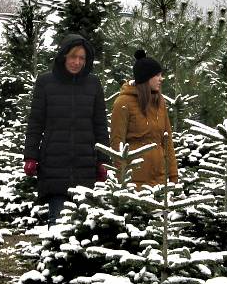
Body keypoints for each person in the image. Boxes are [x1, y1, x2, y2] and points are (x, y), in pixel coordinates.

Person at [24, 34, 110, 226]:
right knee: (58, 224)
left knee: (84, 228)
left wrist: (103, 160)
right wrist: (31, 156)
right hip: (54, 164)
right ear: (64, 56)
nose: (77, 62)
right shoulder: (46, 82)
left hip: (85, 165)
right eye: (73, 57)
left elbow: (100, 125)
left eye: (82, 58)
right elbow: (36, 122)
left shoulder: (93, 84)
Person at [109, 50, 177, 187]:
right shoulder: (123, 102)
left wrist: (173, 175)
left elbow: (167, 140)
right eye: (157, 75)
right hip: (134, 181)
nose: (161, 79)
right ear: (146, 77)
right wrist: (121, 179)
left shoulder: (160, 102)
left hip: (160, 179)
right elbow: (117, 143)